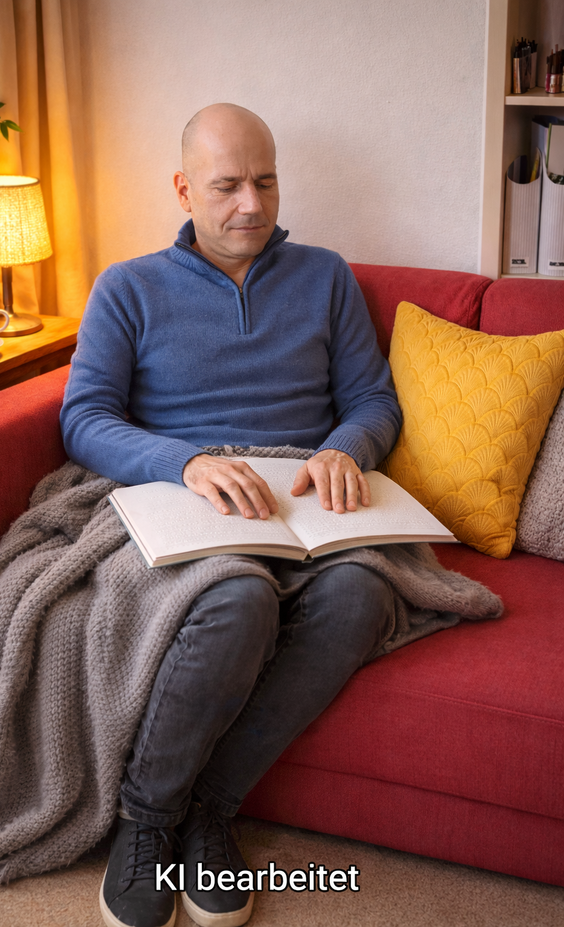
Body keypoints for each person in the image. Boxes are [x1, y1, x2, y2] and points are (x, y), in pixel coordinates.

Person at [60, 103, 402, 927]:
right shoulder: (129, 287)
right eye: (226, 185)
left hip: (305, 504)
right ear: (183, 189)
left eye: (266, 180)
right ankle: (147, 821)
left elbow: (372, 399)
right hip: (187, 499)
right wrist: (185, 460)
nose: (251, 202)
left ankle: (211, 806)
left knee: (364, 595)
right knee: (237, 598)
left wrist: (346, 447)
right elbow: (84, 417)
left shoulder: (325, 278)